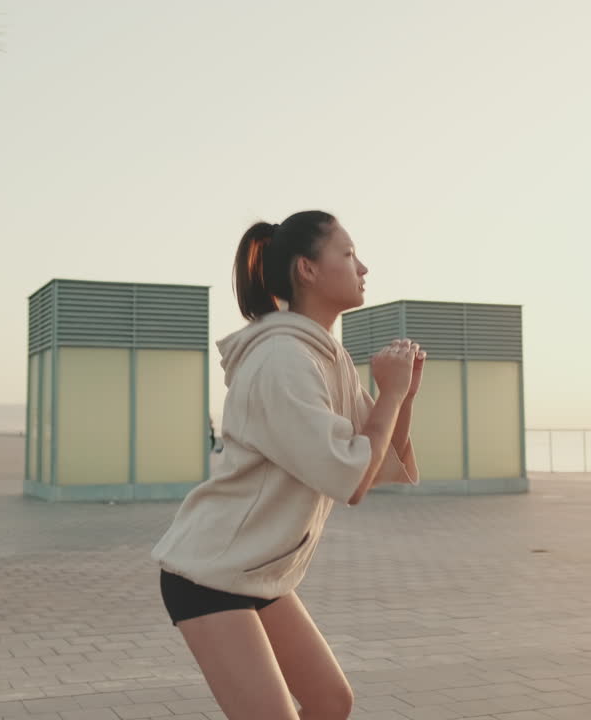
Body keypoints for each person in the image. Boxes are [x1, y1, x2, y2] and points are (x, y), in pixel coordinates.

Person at [150, 210, 424, 720]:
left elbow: (376, 457)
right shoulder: (282, 360)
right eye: (347, 254)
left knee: (329, 699)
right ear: (307, 269)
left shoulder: (325, 357)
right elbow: (350, 478)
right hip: (210, 572)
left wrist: (401, 398)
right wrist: (391, 391)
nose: (363, 267)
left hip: (258, 571)